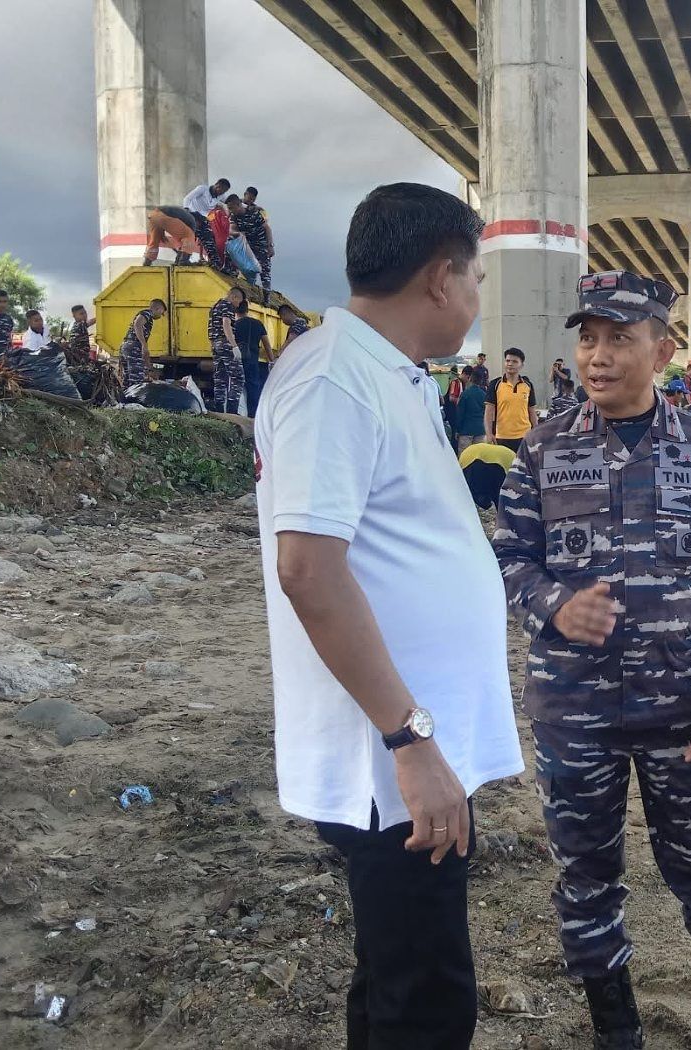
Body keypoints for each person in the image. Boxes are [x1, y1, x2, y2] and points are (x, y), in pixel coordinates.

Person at [254, 182, 523, 1050]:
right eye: (476, 279)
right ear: (442, 278)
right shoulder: (336, 378)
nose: (477, 302)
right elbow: (309, 570)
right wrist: (408, 742)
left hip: (414, 749)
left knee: (398, 977)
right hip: (393, 764)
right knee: (427, 1001)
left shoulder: (385, 372)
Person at [493, 268, 691, 1050]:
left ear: (663, 350)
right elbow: (508, 556)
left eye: (620, 338)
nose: (599, 355)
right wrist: (554, 603)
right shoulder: (543, 449)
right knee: (585, 876)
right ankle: (615, 1029)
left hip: (684, 706)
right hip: (574, 710)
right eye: (588, 338)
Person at [484, 347, 537, 452]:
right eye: (507, 361)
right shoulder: (495, 384)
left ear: (522, 365)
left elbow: (532, 412)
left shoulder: (528, 385)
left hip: (525, 437)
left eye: (514, 361)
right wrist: (489, 434)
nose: (510, 364)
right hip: (501, 437)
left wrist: (536, 433)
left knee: (523, 468)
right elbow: (488, 412)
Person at [209, 286, 246, 414]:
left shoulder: (215, 306)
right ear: (233, 297)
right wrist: (234, 345)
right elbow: (226, 324)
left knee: (220, 378)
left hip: (215, 344)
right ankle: (232, 411)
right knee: (238, 377)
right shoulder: (227, 305)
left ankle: (219, 410)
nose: (238, 305)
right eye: (238, 301)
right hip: (225, 343)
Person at [234, 300, 273, 417]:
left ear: (235, 310)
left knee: (236, 388)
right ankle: (254, 416)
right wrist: (271, 360)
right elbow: (267, 344)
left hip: (237, 361)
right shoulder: (258, 324)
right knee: (254, 389)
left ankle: (237, 415)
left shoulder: (234, 325)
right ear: (247, 309)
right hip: (253, 361)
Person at [233, 190, 274, 300]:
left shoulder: (257, 211)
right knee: (247, 268)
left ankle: (266, 295)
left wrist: (270, 246)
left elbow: (267, 227)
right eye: (249, 198)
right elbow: (233, 230)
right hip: (248, 245)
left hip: (261, 245)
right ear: (245, 194)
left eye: (252, 199)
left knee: (264, 270)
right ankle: (248, 290)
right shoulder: (234, 210)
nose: (250, 201)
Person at [119, 298, 167, 385]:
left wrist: (149, 368)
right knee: (136, 382)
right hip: (133, 346)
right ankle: (135, 398)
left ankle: (126, 397)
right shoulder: (147, 313)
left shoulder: (148, 317)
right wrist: (143, 344)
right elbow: (137, 324)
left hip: (127, 346)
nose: (162, 315)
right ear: (157, 309)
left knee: (127, 380)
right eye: (162, 312)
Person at [454, 369, 487, 451]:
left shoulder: (465, 394)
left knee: (464, 457)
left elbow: (460, 414)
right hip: (481, 430)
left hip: (466, 430)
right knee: (478, 457)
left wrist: (457, 430)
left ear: (470, 379)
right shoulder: (484, 395)